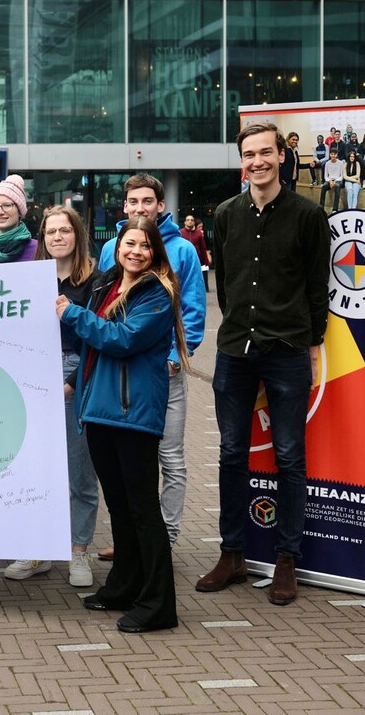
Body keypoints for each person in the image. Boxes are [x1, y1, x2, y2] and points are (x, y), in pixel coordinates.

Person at [197, 122, 329, 606]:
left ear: (281, 156)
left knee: (290, 456)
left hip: (288, 351)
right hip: (236, 350)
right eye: (249, 154)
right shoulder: (227, 214)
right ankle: (232, 554)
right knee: (231, 452)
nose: (258, 161)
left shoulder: (308, 215)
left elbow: (319, 287)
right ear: (242, 161)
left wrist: (313, 346)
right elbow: (226, 285)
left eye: (266, 152)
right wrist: (239, 326)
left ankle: (287, 559)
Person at [59, 216, 186, 634]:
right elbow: (89, 345)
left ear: (155, 253)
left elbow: (122, 338)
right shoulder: (107, 285)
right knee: (119, 506)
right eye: (129, 243)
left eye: (144, 246)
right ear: (117, 247)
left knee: (142, 509)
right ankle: (123, 585)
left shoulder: (157, 293)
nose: (135, 251)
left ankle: (158, 604)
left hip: (133, 415)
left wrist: (73, 314)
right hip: (98, 410)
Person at [98, 174, 205, 556]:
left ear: (161, 205)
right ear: (124, 206)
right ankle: (130, 538)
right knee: (128, 464)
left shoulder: (183, 252)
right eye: (133, 201)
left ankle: (167, 538)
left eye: (147, 201)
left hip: (166, 374)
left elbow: (192, 313)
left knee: (171, 459)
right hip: (125, 378)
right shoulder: (112, 246)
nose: (140, 207)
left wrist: (175, 359)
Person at [4, 206, 102, 587]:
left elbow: (98, 339)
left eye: (65, 230)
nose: (58, 237)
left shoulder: (95, 281)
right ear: (41, 237)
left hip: (77, 371)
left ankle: (79, 552)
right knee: (34, 467)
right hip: (32, 371)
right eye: (50, 231)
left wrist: (73, 382)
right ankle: (38, 550)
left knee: (80, 471)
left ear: (77, 234)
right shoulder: (31, 280)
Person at [179, 214, 211, 291]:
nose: (190, 222)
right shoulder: (180, 233)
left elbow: (203, 247)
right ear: (185, 222)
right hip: (184, 259)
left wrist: (205, 260)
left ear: (194, 223)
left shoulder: (199, 233)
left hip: (197, 259)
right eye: (188, 220)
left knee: (196, 278)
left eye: (192, 220)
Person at [319, 147, 344, 213]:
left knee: (337, 186)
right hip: (329, 180)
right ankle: (321, 207)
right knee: (324, 186)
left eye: (334, 154)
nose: (333, 155)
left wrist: (335, 181)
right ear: (330, 154)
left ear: (337, 155)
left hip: (338, 180)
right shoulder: (327, 163)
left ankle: (335, 209)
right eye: (332, 154)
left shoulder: (340, 163)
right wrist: (330, 181)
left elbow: (341, 176)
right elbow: (325, 176)